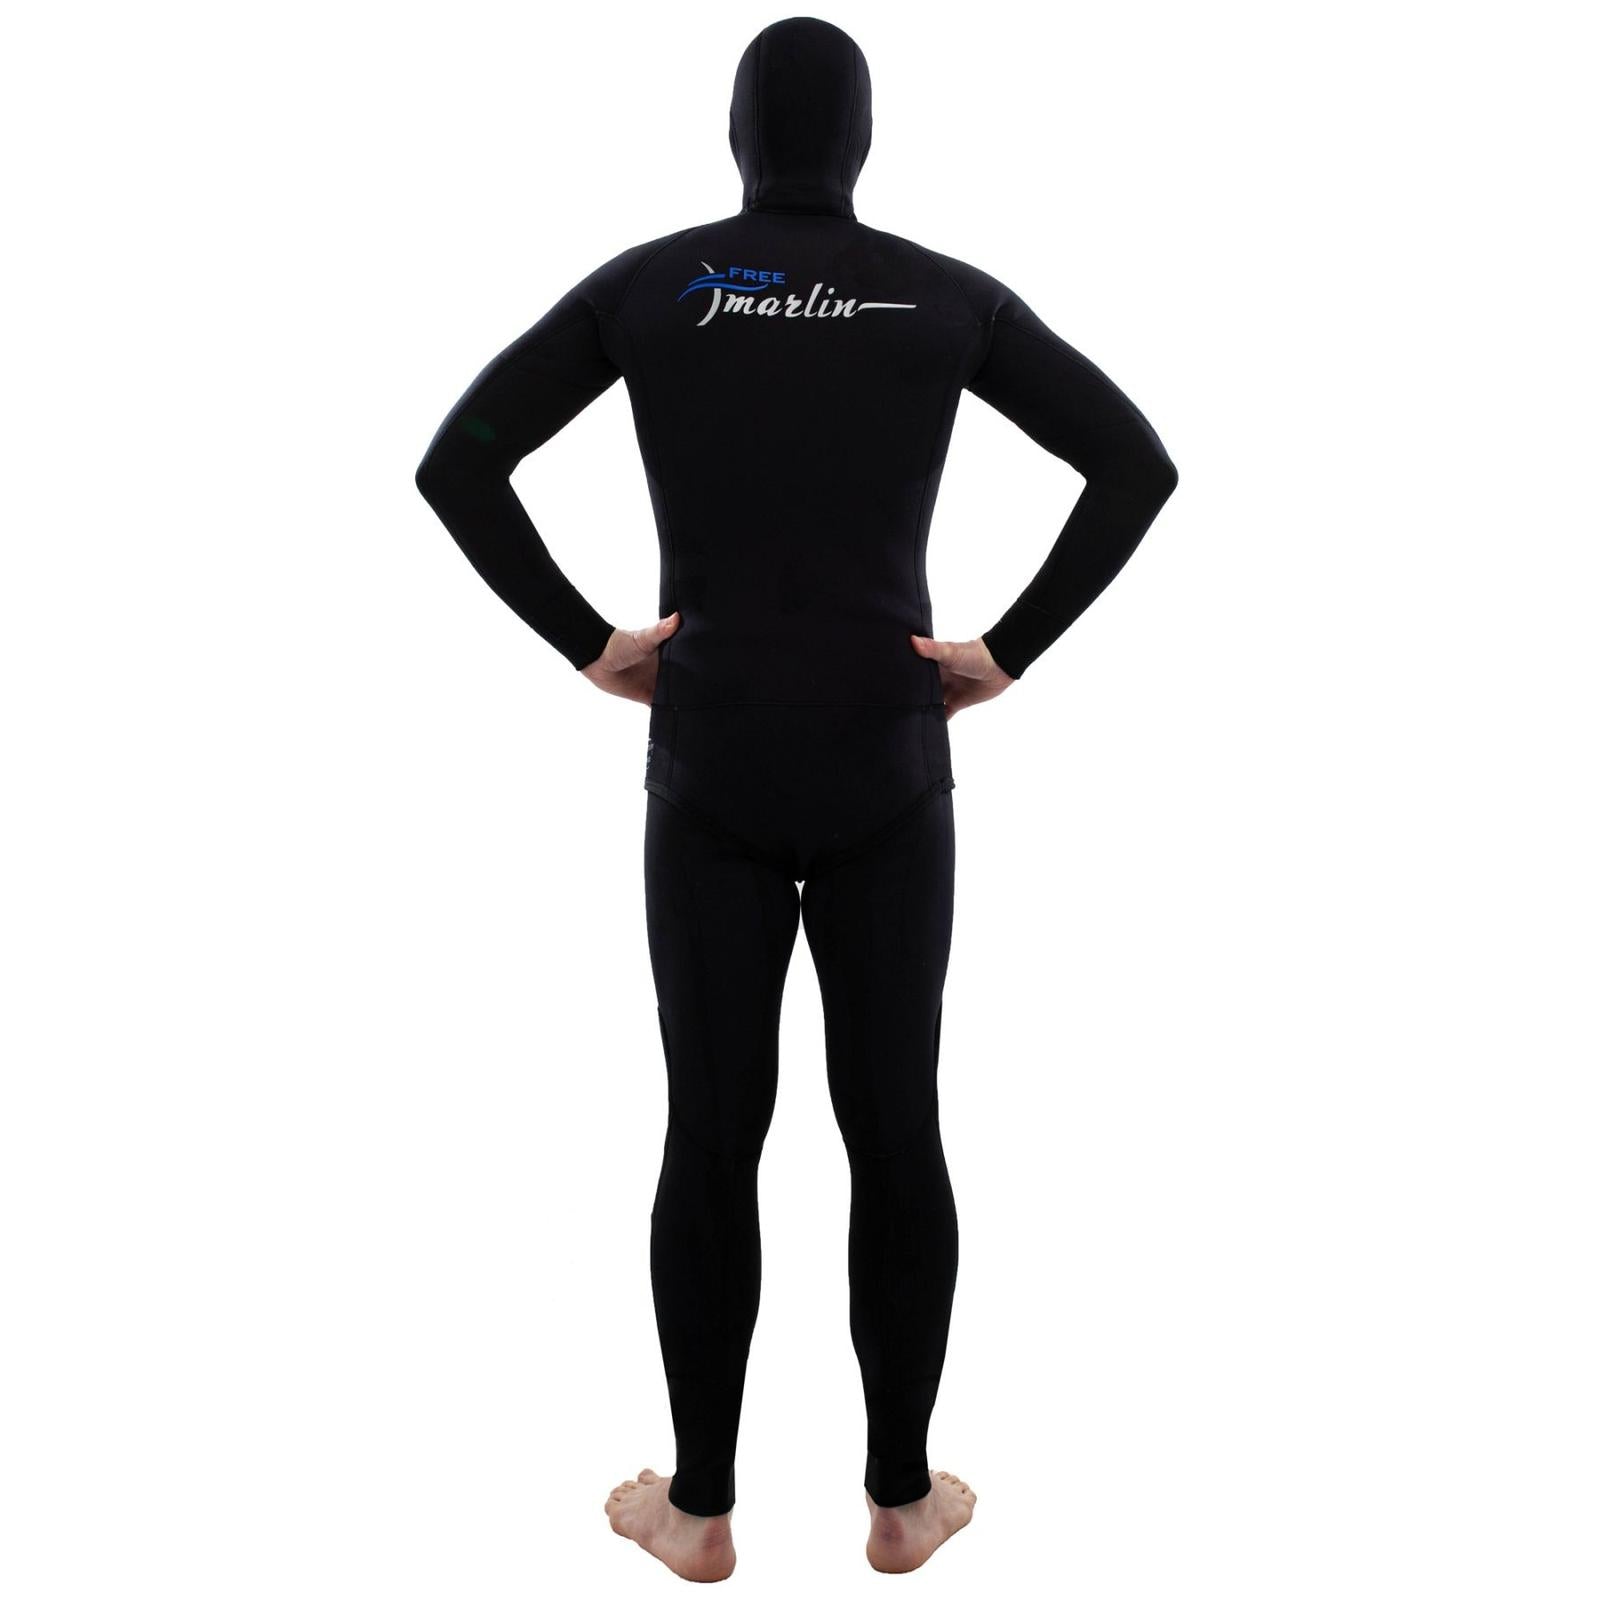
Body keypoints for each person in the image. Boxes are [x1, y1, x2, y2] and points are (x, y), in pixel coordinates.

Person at [415, 14, 1177, 1581]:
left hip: (713, 760)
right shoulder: (941, 296)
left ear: (739, 137)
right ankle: (900, 1500)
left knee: (712, 1130)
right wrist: (1005, 652)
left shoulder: (656, 285)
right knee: (897, 1126)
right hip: (888, 758)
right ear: (862, 142)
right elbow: (1132, 463)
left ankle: (697, 1511)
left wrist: (594, 646)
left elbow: (464, 459)